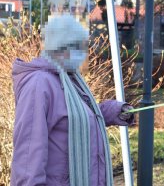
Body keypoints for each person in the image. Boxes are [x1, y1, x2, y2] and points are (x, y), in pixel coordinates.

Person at [10, 14, 134, 186]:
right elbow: (28, 154)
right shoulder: (39, 84)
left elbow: (77, 116)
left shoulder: (69, 78)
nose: (83, 54)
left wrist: (114, 111)